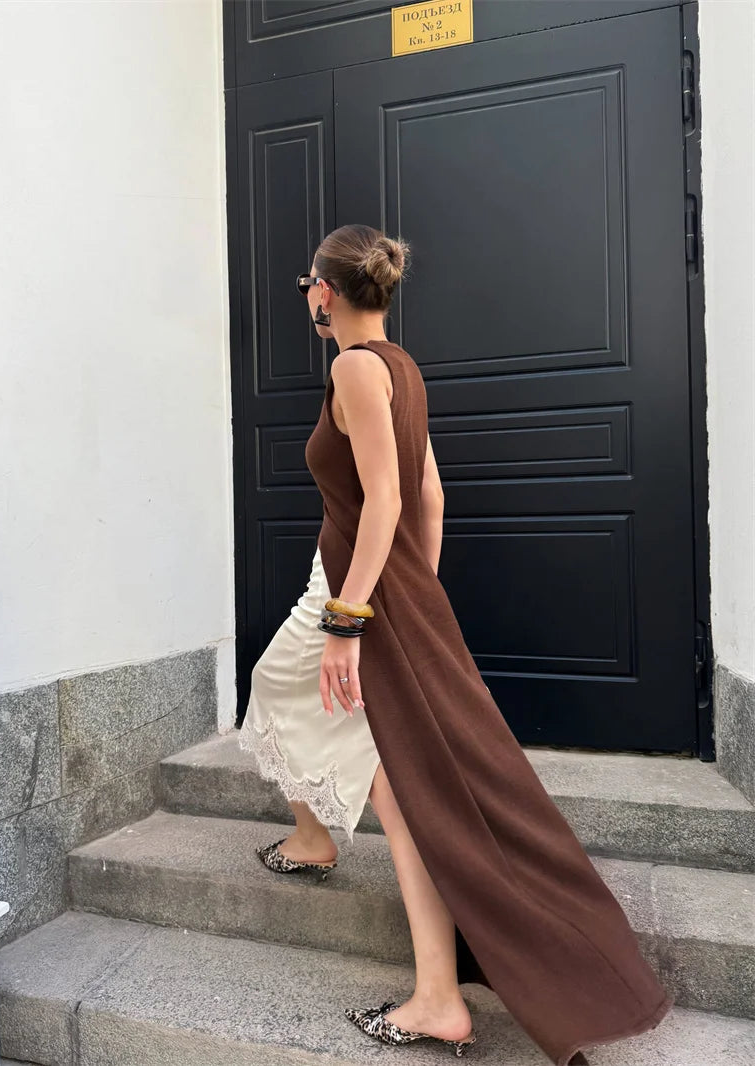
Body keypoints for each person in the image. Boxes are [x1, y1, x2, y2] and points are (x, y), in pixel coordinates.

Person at [238, 224, 674, 1065]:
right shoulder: (402, 367)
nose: (306, 298)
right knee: (386, 769)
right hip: (380, 590)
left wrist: (353, 622)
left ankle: (420, 974)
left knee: (379, 768)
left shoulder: (354, 369)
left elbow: (391, 503)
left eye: (307, 286)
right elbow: (432, 492)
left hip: (352, 594)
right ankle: (323, 845)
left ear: (326, 293)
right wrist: (416, 595)